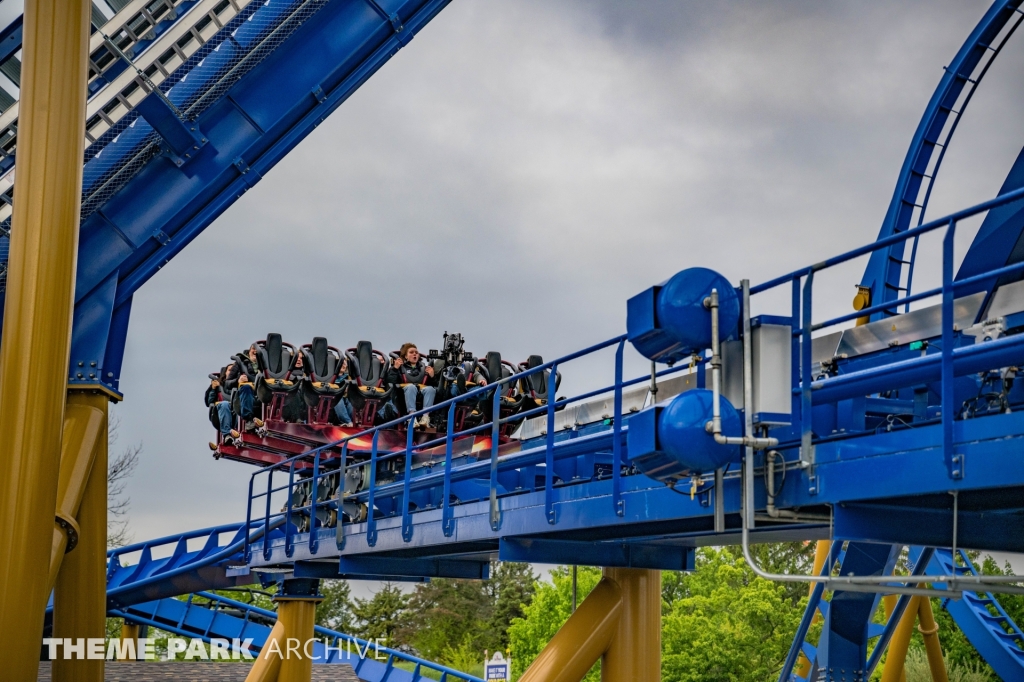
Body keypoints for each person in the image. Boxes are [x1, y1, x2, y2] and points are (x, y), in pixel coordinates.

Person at [384, 343, 435, 428]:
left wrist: (432, 376)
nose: (415, 354)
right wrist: (395, 369)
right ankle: (411, 417)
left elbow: (434, 385)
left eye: (416, 352)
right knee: (411, 387)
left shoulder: (424, 368)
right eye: (411, 352)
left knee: (431, 389)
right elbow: (390, 382)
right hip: (402, 395)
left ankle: (425, 417)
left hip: (420, 394)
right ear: (406, 356)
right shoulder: (400, 367)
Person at [206, 370, 240, 449]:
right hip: (221, 415)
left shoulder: (238, 385)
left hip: (236, 414)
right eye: (229, 370)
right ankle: (227, 435)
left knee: (239, 403)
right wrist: (213, 389)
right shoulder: (220, 386)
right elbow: (209, 402)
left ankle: (236, 432)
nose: (232, 371)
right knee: (224, 404)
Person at [333, 356, 355, 427]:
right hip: (336, 396)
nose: (343, 366)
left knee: (352, 401)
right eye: (341, 364)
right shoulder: (330, 376)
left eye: (344, 364)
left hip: (347, 396)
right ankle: (348, 422)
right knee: (338, 400)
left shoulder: (349, 377)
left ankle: (349, 422)